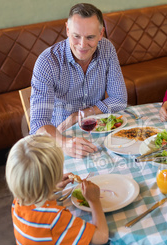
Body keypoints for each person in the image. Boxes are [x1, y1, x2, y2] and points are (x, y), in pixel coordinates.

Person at [5, 135, 133, 245]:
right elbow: (101, 237)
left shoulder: (18, 202)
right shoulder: (54, 219)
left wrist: (53, 187)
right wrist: (94, 201)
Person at [30, 3, 127, 158]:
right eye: (76, 36)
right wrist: (64, 143)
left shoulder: (107, 49)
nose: (82, 45)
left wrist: (79, 115)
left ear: (101, 33)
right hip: (59, 138)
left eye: (90, 37)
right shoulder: (47, 62)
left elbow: (120, 99)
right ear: (67, 30)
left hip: (98, 133)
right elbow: (37, 124)